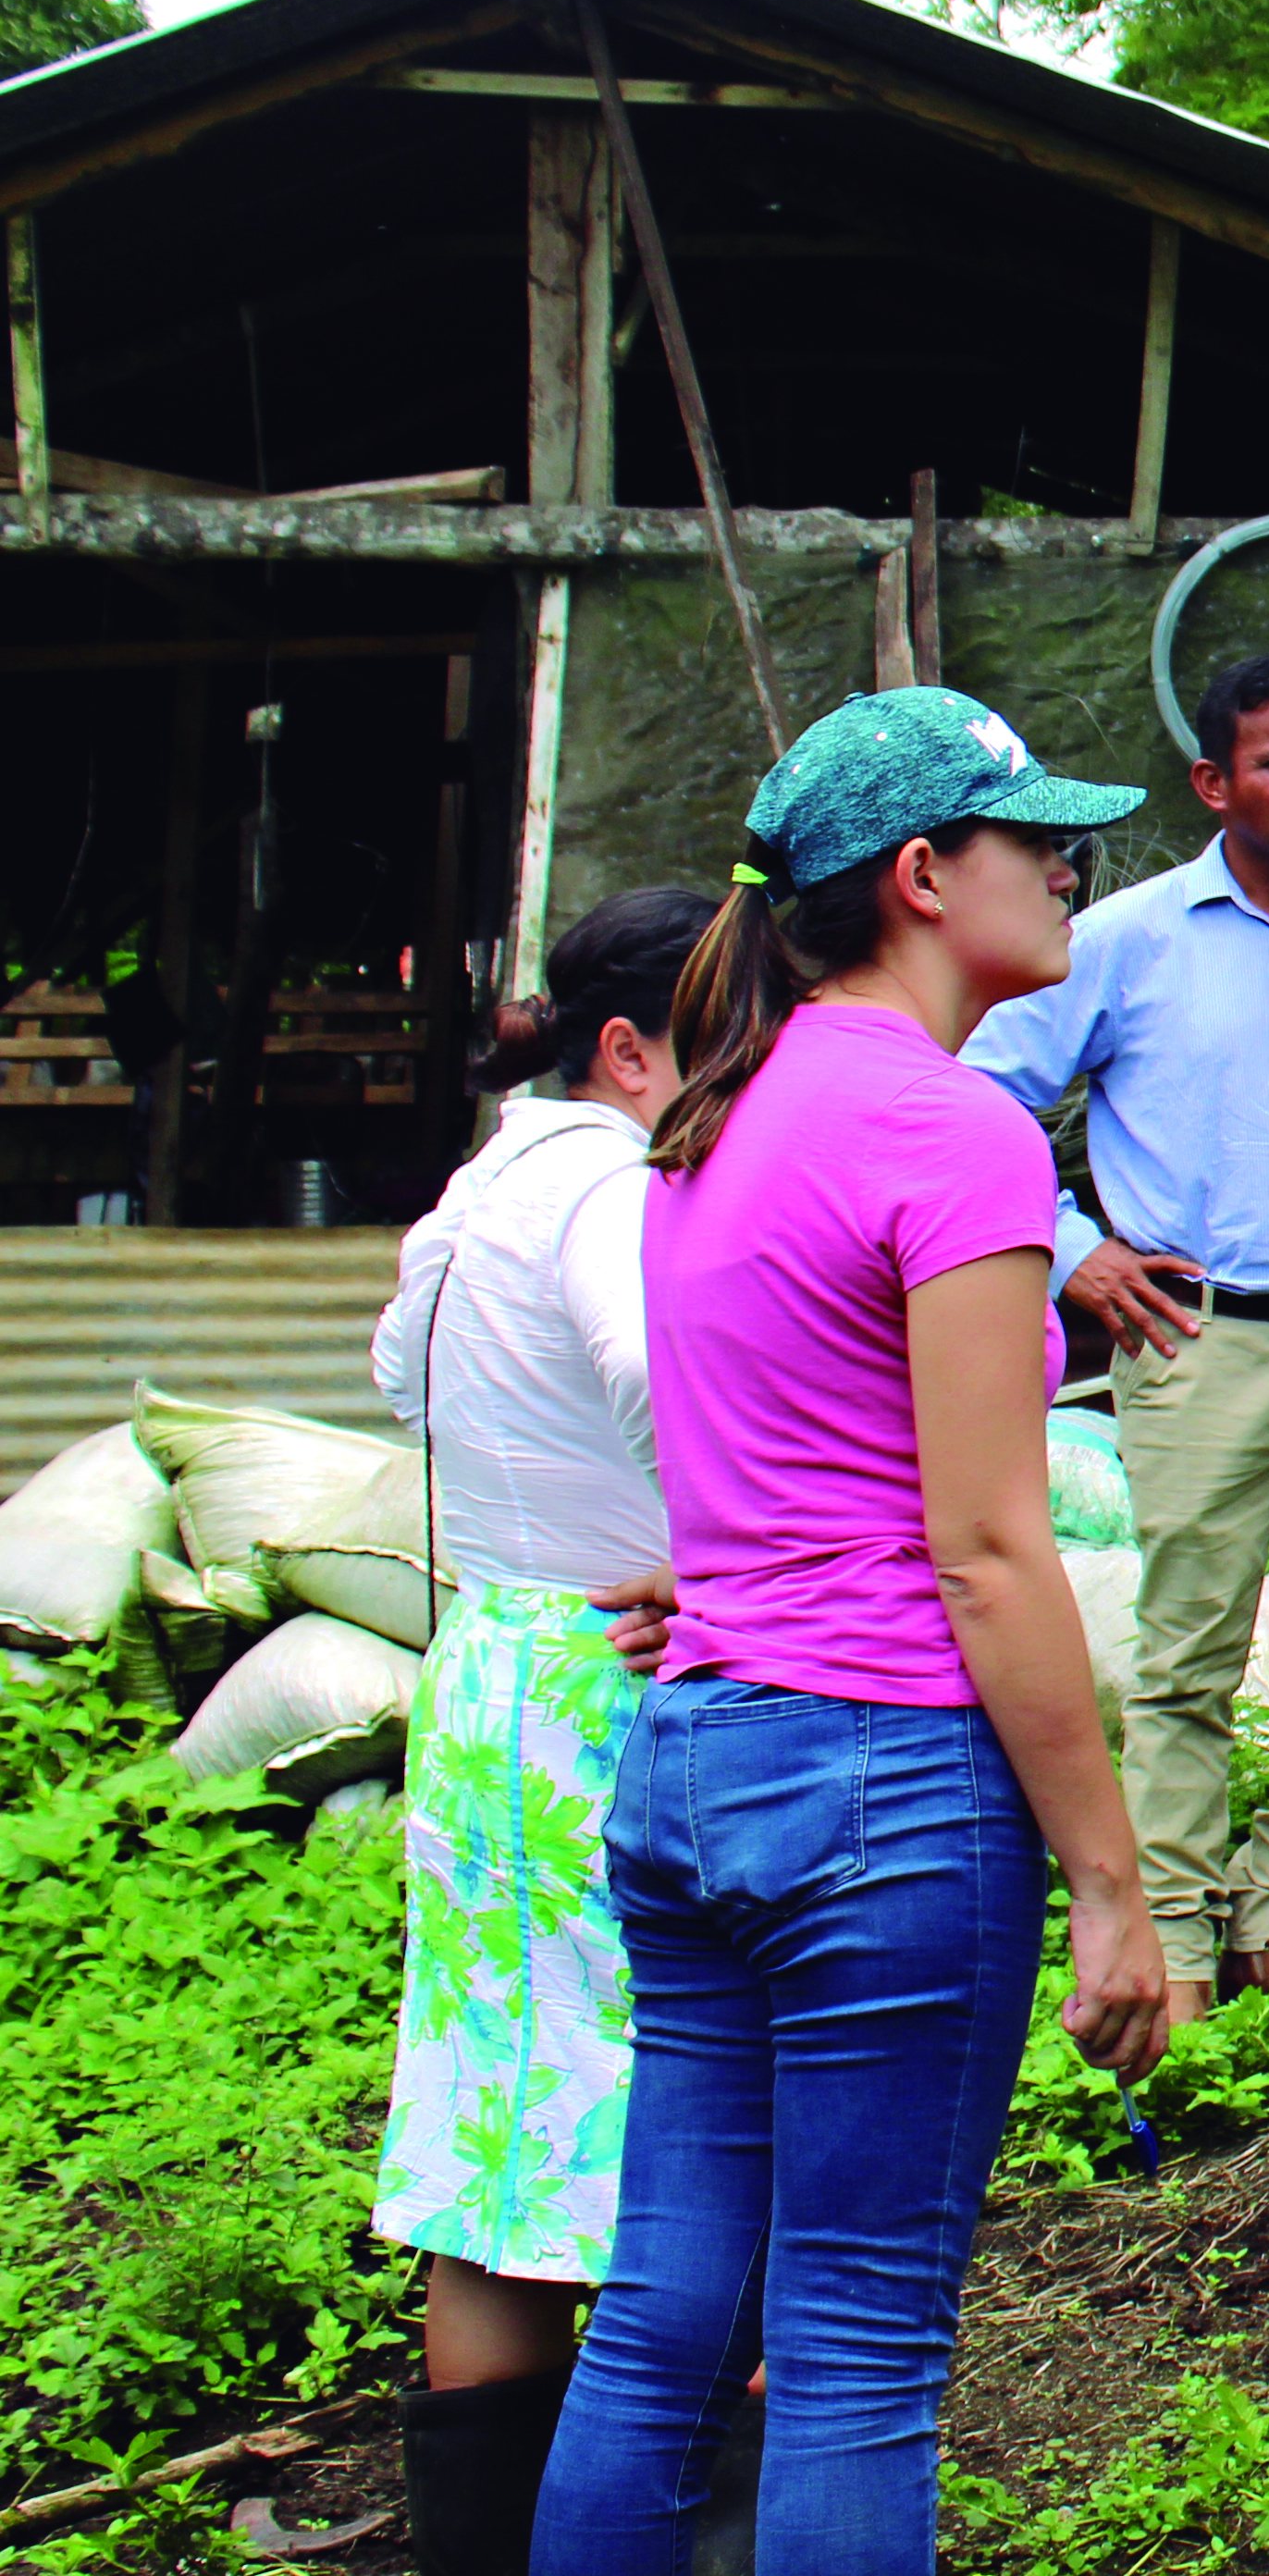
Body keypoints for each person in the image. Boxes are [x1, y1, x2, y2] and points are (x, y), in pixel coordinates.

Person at [534, 690, 1168, 2576]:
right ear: (918, 878)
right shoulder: (952, 1134)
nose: (1067, 867)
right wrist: (1114, 1880)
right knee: (857, 2350)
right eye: (1032, 837)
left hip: (698, 1761)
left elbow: (768, 1466)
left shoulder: (710, 1119)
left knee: (662, 2319)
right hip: (884, 1785)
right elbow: (985, 1546)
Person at [962, 649, 1269, 2033]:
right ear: (1212, 783)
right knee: (1187, 1650)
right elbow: (984, 1095)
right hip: (1198, 1339)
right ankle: (1170, 1930)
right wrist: (1072, 1252)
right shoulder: (1128, 938)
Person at [370, 887, 712, 2576]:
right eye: (729, 1039)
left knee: (498, 2135)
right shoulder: (602, 1179)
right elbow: (666, 1376)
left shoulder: (483, 1178)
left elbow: (399, 1373)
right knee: (678, 2124)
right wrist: (735, 1559)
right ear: (631, 1046)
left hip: (494, 1671)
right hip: (611, 1687)